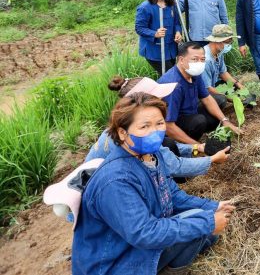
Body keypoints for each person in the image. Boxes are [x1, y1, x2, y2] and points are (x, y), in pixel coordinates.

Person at [72, 92, 236, 275]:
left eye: (159, 124)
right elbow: (145, 233)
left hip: (131, 244)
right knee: (199, 224)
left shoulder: (150, 155)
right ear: (122, 133)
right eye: (144, 126)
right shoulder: (116, 180)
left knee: (202, 223)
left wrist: (213, 207)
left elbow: (172, 196)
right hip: (112, 264)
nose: (155, 132)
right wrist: (207, 223)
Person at [85, 76, 230, 179]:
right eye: (158, 98)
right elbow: (174, 165)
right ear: (141, 101)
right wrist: (211, 159)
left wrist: (197, 148)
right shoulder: (130, 134)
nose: (162, 100)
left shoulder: (132, 126)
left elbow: (161, 152)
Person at [158, 42, 239, 145]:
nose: (199, 63)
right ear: (181, 60)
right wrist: (197, 146)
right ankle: (185, 144)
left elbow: (207, 98)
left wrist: (224, 120)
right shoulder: (173, 85)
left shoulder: (193, 73)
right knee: (199, 121)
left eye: (202, 59)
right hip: (171, 123)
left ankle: (194, 135)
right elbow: (168, 125)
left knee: (217, 108)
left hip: (189, 112)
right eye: (195, 59)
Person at [135, 0, 183, 77]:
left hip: (171, 48)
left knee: (173, 76)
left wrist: (178, 32)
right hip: (155, 51)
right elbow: (139, 28)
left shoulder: (172, 5)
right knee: (172, 77)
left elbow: (177, 23)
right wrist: (155, 34)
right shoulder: (145, 7)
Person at [202, 24, 247, 110]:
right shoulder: (206, 60)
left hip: (212, 84)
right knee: (221, 100)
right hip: (202, 92)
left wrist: (238, 85)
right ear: (217, 41)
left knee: (233, 86)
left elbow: (223, 72)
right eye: (227, 42)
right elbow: (207, 88)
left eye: (231, 42)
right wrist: (232, 99)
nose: (229, 45)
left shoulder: (219, 52)